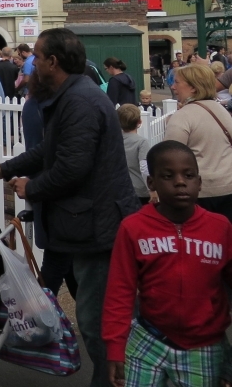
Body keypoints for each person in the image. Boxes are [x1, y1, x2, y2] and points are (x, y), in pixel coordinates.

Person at [0, 28, 140, 387]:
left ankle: (111, 380)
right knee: (96, 313)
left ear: (53, 62)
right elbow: (50, 152)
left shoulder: (79, 102)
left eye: (37, 56)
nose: (32, 63)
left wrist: (31, 187)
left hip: (97, 227)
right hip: (86, 223)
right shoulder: (70, 96)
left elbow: (73, 167)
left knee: (98, 319)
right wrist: (7, 168)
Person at [103, 141, 232, 387]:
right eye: (168, 176)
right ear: (152, 183)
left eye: (189, 175)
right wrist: (115, 347)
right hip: (147, 339)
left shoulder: (221, 228)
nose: (180, 182)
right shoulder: (133, 228)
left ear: (200, 181)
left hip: (204, 346)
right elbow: (120, 292)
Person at [20, 69, 77, 299]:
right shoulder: (38, 106)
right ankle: (40, 313)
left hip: (53, 188)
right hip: (54, 188)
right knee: (58, 260)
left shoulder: (41, 105)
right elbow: (41, 150)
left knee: (66, 262)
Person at [164, 62, 232, 223]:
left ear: (193, 88)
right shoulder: (222, 111)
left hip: (200, 194)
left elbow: (169, 158)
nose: (173, 87)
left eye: (177, 82)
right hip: (228, 187)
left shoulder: (183, 117)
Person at [118, 104, 151, 206]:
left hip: (121, 188)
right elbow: (144, 167)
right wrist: (151, 188)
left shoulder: (115, 140)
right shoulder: (142, 142)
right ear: (139, 122)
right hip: (140, 190)